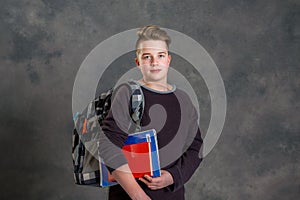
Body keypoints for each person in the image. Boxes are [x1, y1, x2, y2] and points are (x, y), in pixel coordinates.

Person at [99, 25, 203, 200]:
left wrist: (172, 177)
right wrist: (138, 195)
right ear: (138, 62)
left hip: (173, 195)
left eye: (160, 56)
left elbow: (196, 148)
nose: (155, 62)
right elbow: (108, 144)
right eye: (147, 57)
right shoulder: (128, 93)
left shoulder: (183, 100)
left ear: (168, 60)